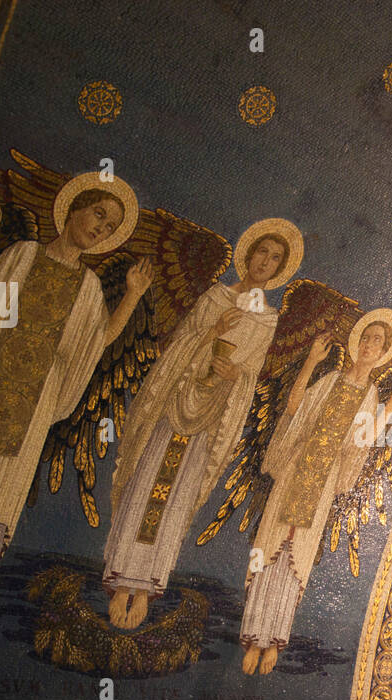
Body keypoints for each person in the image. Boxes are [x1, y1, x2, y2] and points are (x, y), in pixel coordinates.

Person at [0, 175, 149, 648]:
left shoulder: (89, 287)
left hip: (35, 400)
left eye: (111, 225)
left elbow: (93, 343)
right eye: (99, 214)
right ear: (74, 209)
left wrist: (134, 295)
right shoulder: (22, 254)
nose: (101, 228)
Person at [103, 218, 304, 629]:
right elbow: (180, 344)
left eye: (276, 258)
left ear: (281, 269)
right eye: (262, 252)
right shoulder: (215, 296)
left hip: (208, 422)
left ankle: (148, 585)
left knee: (176, 501)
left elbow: (250, 373)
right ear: (248, 254)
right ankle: (121, 579)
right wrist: (210, 332)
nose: (266, 261)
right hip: (173, 407)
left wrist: (236, 375)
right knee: (144, 490)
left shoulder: (267, 319)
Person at [239, 310, 392, 675]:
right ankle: (252, 635)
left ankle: (274, 639)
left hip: (324, 480)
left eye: (377, 341)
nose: (369, 345)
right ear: (356, 343)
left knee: (295, 558)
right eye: (366, 337)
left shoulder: (369, 394)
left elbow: (365, 438)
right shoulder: (331, 378)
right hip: (295, 469)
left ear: (383, 352)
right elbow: (293, 407)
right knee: (269, 546)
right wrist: (311, 362)